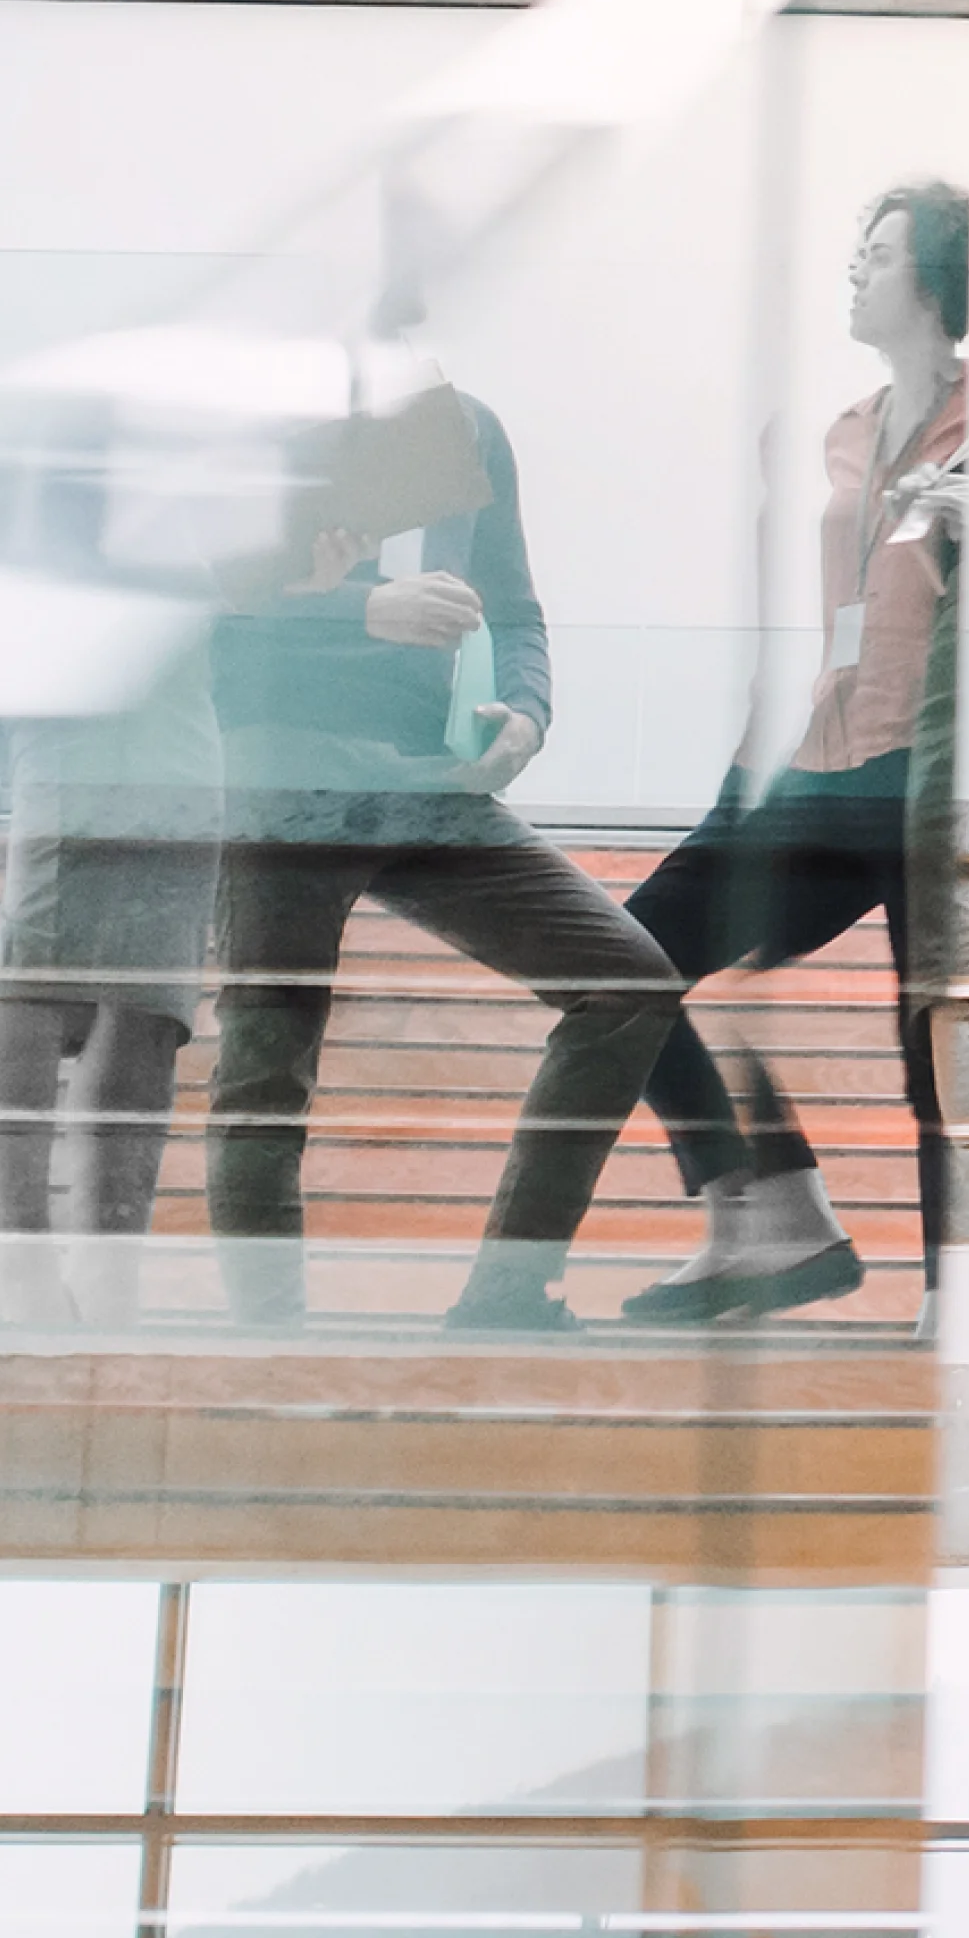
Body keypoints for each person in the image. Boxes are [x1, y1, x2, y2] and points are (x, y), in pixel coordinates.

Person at [205, 381, 690, 1336]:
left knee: (629, 983)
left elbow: (515, 608)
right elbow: (210, 597)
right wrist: (362, 607)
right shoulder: (268, 408)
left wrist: (529, 715)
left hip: (433, 781)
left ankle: (507, 1296)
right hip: (284, 777)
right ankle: (271, 1354)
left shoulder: (468, 426)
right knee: (266, 1067)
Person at [589, 181, 969, 1329]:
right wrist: (740, 779)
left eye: (879, 254)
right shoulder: (842, 428)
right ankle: (772, 1212)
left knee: (936, 1040)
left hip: (931, 769)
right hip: (817, 762)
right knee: (621, 962)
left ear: (934, 279)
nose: (856, 270)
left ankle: (955, 1294)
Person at [0, 650, 221, 1333]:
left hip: (181, 683)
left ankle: (106, 1265)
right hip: (77, 650)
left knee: (155, 971)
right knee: (42, 937)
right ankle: (17, 1254)